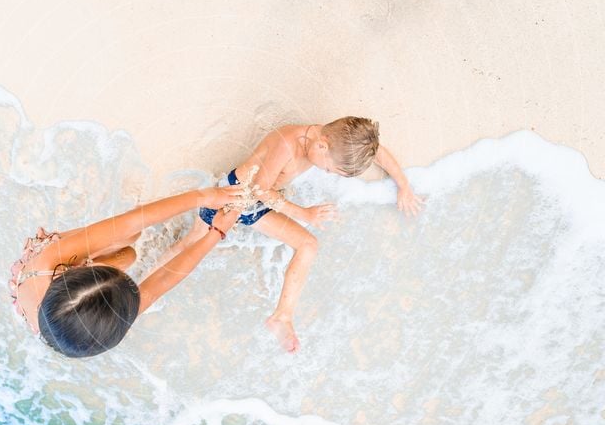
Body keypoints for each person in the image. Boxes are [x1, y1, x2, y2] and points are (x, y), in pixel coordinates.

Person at [156, 117, 425, 353]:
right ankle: (147, 283)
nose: (326, 172)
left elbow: (375, 151)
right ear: (322, 145)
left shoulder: (339, 140)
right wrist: (305, 214)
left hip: (260, 204)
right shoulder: (287, 142)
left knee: (308, 245)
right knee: (190, 245)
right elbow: (259, 190)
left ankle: (282, 318)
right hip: (234, 196)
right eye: (329, 168)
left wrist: (403, 185)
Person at [10, 187, 243, 358]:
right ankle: (186, 238)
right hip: (65, 313)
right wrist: (214, 234)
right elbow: (161, 281)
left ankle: (111, 253)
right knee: (129, 256)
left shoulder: (52, 259)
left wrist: (204, 197)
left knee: (130, 238)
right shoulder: (106, 320)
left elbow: (132, 221)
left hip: (43, 271)